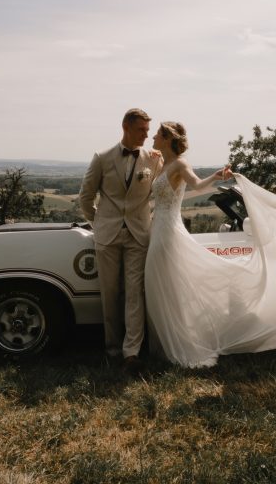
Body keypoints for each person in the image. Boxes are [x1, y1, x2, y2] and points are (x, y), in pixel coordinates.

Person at [145, 121, 276, 368]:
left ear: (167, 138)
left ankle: (182, 345)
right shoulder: (161, 162)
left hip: (167, 232)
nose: (153, 136)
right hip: (157, 229)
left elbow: (197, 185)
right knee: (160, 283)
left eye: (158, 134)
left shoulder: (180, 164)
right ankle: (167, 344)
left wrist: (217, 176)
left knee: (169, 284)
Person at [78, 108, 163, 373]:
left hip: (139, 234)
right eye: (141, 131)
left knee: (135, 292)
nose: (146, 136)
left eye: (148, 132)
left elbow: (163, 188)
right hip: (107, 235)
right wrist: (100, 223)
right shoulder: (102, 158)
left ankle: (131, 352)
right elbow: (86, 197)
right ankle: (112, 347)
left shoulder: (154, 160)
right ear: (125, 127)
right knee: (110, 293)